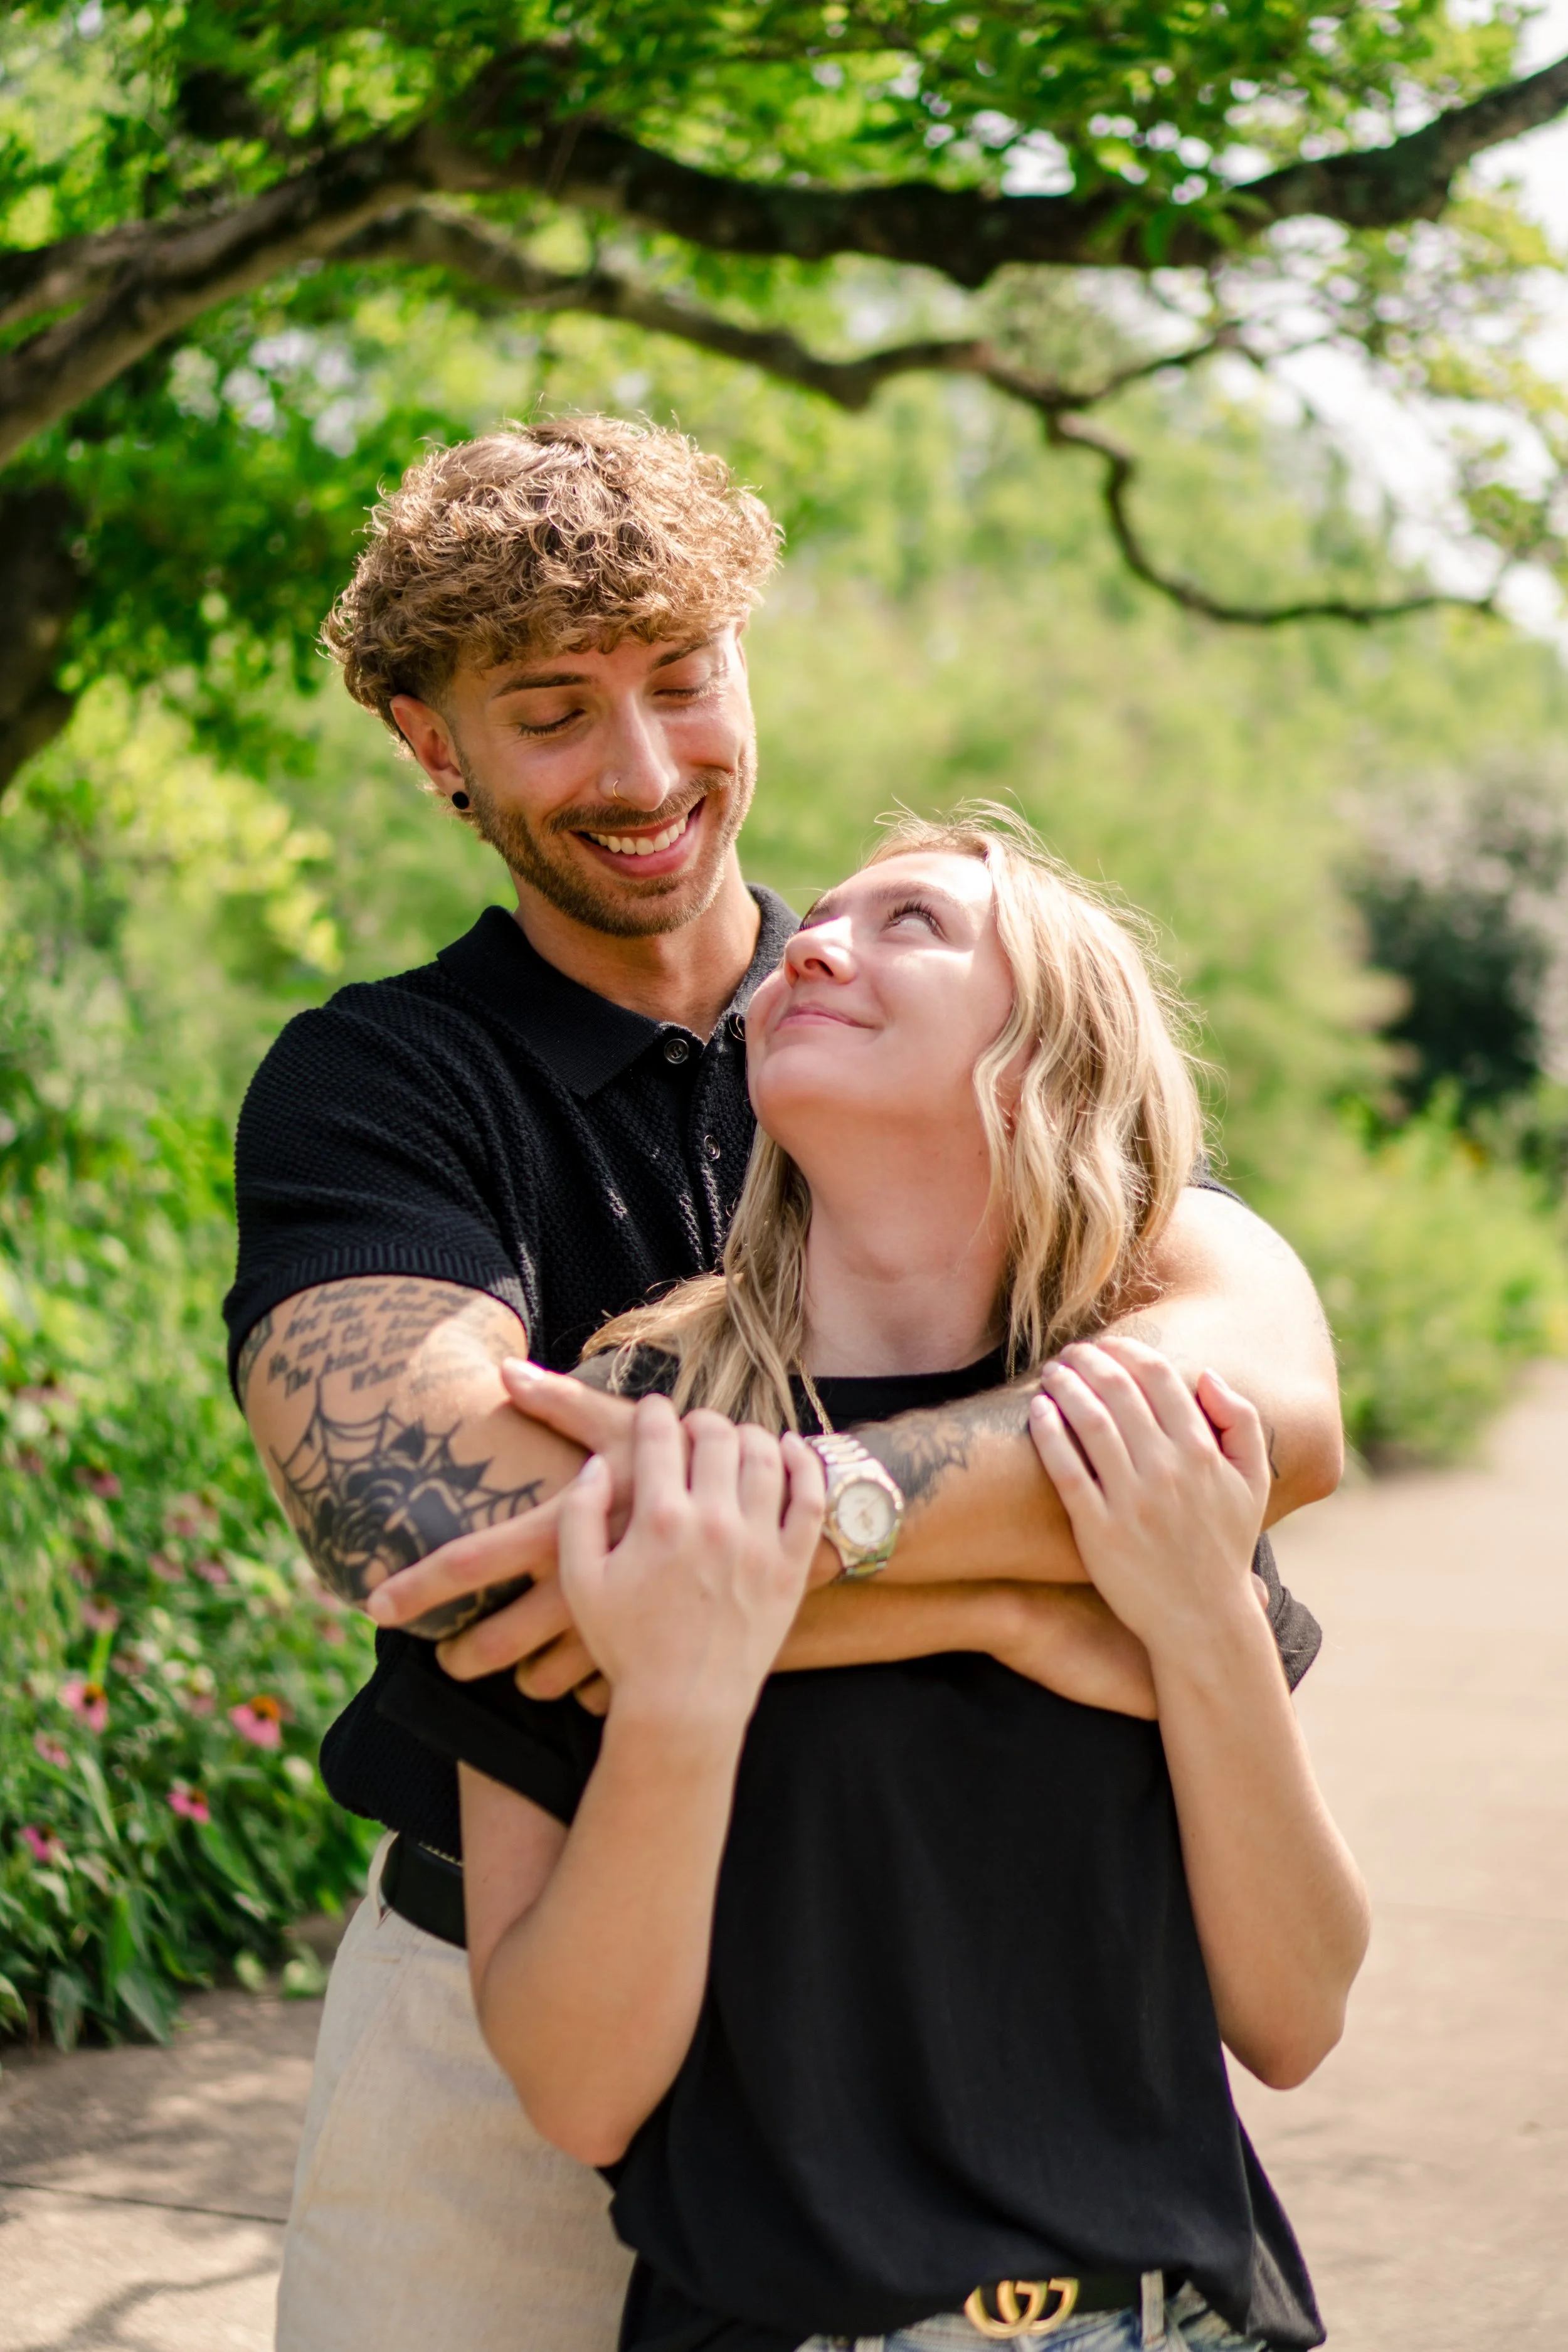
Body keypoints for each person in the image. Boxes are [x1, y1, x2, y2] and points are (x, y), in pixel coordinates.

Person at [225, 418, 1343, 2352]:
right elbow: (448, 1537)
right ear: (438, 746)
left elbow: (1261, 1397)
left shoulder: (914, 1009)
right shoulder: (385, 1077)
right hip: (515, 2000)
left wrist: (765, 1550)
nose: (646, 769)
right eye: (554, 709)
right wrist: (1029, 1586)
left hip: (956, 2059)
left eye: (681, 680)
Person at [382, 810, 1369, 2352]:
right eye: (817, 926)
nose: (810, 946)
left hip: (1170, 2321)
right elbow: (579, 2093)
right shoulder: (621, 1427)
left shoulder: (1120, 1438)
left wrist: (1202, 1622)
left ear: (1043, 1058)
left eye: (910, 921)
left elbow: (1294, 2015)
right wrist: (688, 1695)